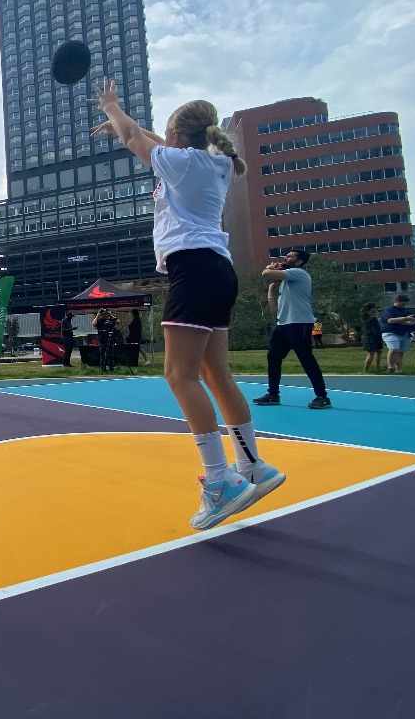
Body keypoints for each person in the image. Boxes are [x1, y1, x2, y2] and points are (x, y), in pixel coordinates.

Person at [92, 81, 284, 531]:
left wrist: (114, 108)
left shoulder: (181, 163)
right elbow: (150, 140)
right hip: (218, 270)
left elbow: (137, 141)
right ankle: (252, 465)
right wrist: (126, 122)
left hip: (194, 271)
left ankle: (220, 482)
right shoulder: (213, 161)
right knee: (216, 374)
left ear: (179, 138)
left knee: (179, 374)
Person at [253, 250, 331, 409]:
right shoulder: (287, 282)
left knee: (306, 359)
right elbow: (275, 309)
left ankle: (322, 397)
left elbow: (265, 273)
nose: (285, 258)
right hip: (283, 325)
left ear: (299, 262)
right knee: (273, 357)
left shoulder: (299, 273)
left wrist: (270, 267)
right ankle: (273, 394)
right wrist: (271, 289)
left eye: (290, 256)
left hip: (300, 323)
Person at [380, 293, 415, 373]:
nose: (404, 306)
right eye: (402, 304)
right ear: (396, 301)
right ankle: (390, 367)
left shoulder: (405, 311)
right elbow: (390, 320)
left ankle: (399, 369)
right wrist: (405, 318)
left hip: (403, 333)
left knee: (400, 352)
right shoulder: (388, 310)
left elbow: (406, 323)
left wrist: (412, 321)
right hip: (391, 332)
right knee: (393, 349)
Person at [92, 308, 120, 373]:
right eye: (104, 314)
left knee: (111, 354)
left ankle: (111, 367)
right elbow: (93, 324)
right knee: (102, 354)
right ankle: (103, 368)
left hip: (110, 339)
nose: (105, 315)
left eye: (106, 313)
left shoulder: (110, 320)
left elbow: (118, 321)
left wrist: (111, 315)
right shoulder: (99, 320)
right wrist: (97, 315)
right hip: (102, 339)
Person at [360, 302, 383, 373]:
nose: (376, 309)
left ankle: (378, 367)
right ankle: (366, 369)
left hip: (371, 336)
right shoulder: (371, 318)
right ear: (371, 308)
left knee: (378, 351)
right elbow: (375, 328)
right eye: (375, 307)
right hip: (371, 337)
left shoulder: (366, 316)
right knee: (371, 353)